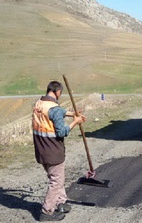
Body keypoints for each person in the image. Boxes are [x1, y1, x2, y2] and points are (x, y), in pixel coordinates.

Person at [32, 81, 86, 221]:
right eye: (60, 94)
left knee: (57, 177)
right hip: (53, 151)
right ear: (57, 92)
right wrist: (76, 121)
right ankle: (47, 212)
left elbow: (55, 113)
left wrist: (72, 113)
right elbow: (62, 132)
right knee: (56, 181)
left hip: (41, 150)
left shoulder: (39, 104)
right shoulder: (54, 108)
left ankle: (61, 202)